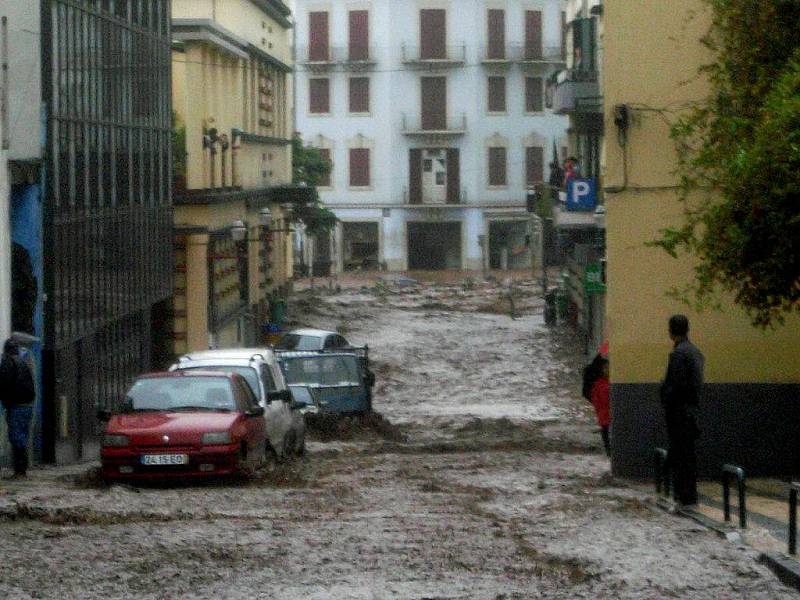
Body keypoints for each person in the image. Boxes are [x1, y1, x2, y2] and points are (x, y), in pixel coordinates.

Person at [660, 315, 705, 508]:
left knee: (681, 455)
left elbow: (675, 385)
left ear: (671, 331)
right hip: (690, 411)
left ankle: (684, 496)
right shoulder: (695, 352)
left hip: (679, 413)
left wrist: (664, 393)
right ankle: (688, 495)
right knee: (687, 455)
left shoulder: (679, 354)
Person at [0, 339, 36, 478]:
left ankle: (20, 470)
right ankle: (22, 469)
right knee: (22, 437)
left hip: (16, 405)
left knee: (16, 437)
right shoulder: (22, 362)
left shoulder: (8, 362)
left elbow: (4, 382)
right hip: (27, 405)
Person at [590, 357, 611, 457]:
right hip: (605, 415)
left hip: (605, 414)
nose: (608, 370)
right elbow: (599, 400)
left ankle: (609, 450)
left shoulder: (606, 384)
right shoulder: (599, 385)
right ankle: (608, 450)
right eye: (606, 368)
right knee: (606, 432)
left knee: (607, 432)